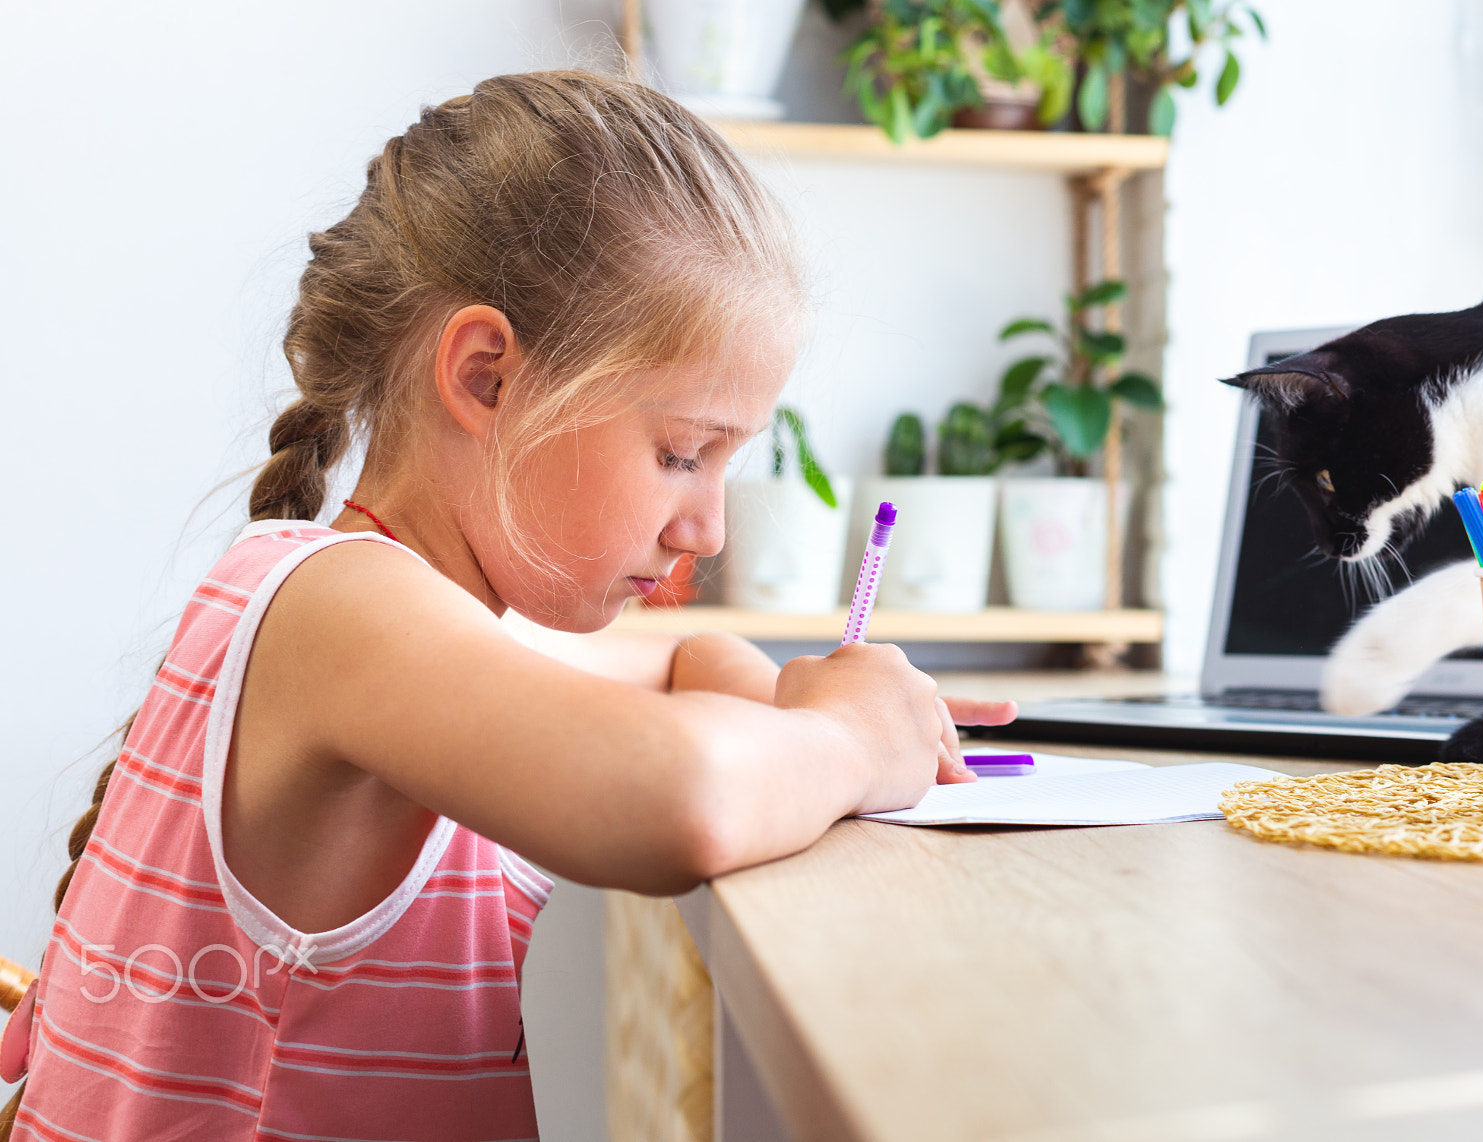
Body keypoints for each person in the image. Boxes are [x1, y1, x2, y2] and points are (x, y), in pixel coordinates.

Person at [0, 70, 1014, 1141]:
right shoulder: (343, 612)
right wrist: (848, 739)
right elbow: (679, 797)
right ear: (487, 378)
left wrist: (796, 706)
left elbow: (688, 661)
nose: (707, 529)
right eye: (682, 452)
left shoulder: (420, 618)